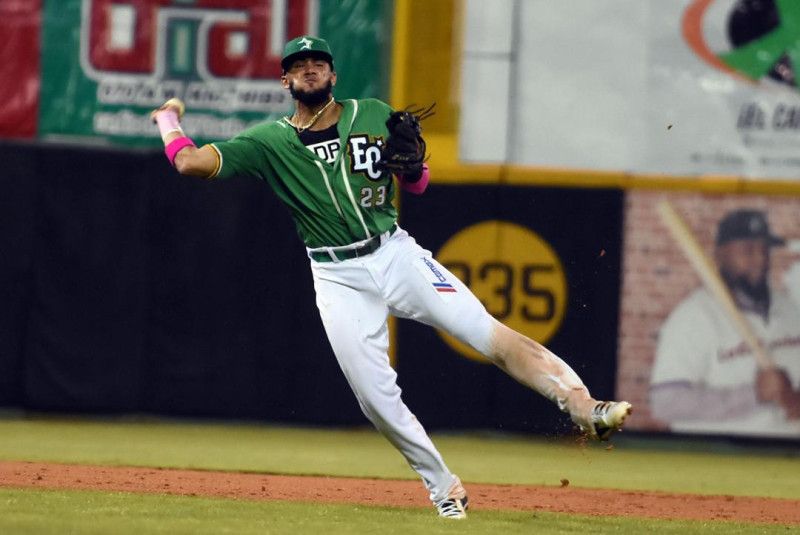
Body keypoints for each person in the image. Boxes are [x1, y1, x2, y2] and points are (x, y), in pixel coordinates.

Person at [150, 35, 632, 519]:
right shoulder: (269, 142)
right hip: (336, 274)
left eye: (319, 61)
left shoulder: (374, 113)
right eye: (300, 64)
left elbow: (417, 184)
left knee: (485, 333)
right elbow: (190, 163)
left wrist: (415, 164)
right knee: (375, 399)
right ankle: (444, 488)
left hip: (394, 254)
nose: (311, 68)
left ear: (334, 75)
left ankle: (583, 406)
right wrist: (169, 121)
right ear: (286, 80)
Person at [651, 209, 800, 437]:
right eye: (748, 251)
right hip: (724, 457)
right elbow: (666, 402)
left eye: (764, 249)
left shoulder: (790, 309)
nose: (759, 259)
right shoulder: (693, 317)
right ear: (721, 255)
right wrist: (753, 396)